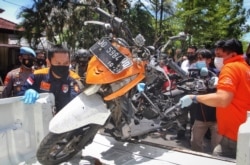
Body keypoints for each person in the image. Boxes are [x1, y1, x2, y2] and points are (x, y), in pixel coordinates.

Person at [179, 38, 250, 158]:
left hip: (234, 134)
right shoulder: (245, 68)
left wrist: (194, 97)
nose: (217, 59)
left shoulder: (230, 68)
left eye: (219, 55)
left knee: (218, 156)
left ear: (232, 54)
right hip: (242, 128)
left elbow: (222, 100)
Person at [18, 45, 83, 115]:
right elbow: (18, 98)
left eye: (66, 63)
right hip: (41, 119)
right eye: (58, 63)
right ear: (48, 62)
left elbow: (78, 104)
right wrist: (26, 92)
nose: (62, 66)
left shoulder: (74, 79)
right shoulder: (37, 76)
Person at [190, 48, 220, 152]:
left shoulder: (217, 73)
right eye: (197, 58)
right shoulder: (194, 74)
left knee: (217, 147)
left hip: (216, 117)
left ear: (209, 60)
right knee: (195, 143)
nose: (199, 61)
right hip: (200, 116)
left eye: (201, 58)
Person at [177, 45, 198, 139]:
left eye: (192, 53)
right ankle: (181, 133)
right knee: (182, 113)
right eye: (188, 53)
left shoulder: (199, 63)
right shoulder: (184, 62)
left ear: (196, 53)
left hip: (195, 92)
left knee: (194, 115)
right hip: (184, 90)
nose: (190, 54)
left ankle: (192, 137)